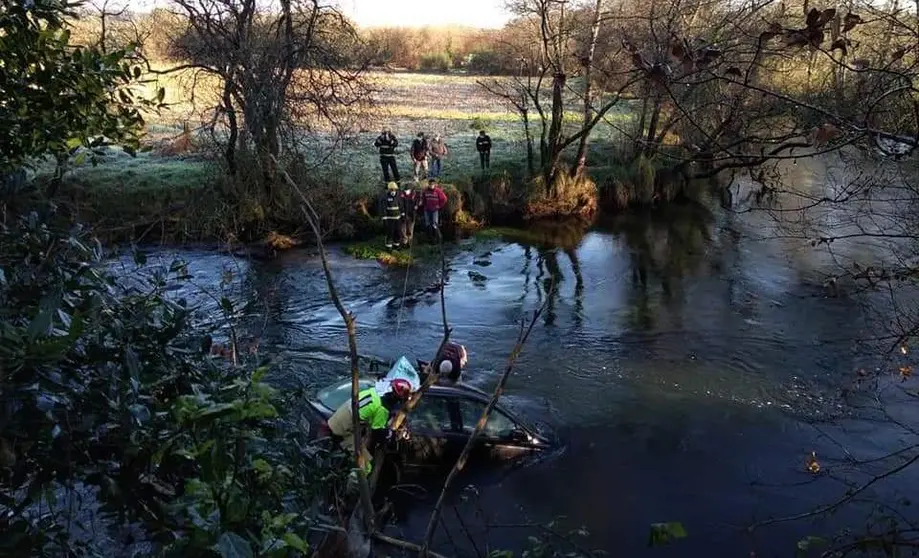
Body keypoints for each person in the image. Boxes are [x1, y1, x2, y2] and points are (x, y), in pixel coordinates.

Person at [327, 378, 413, 475]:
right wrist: (391, 435)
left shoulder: (374, 391)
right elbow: (377, 434)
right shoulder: (382, 408)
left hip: (336, 418)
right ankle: (353, 489)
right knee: (366, 466)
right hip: (344, 429)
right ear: (396, 398)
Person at [379, 181, 403, 249]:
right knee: (390, 233)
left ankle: (396, 245)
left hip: (397, 219)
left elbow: (401, 206)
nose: (393, 191)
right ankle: (388, 247)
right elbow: (383, 209)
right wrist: (384, 219)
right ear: (389, 189)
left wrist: (403, 215)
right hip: (390, 219)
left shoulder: (398, 196)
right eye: (391, 189)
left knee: (397, 232)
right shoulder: (385, 197)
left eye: (394, 189)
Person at [399, 183, 418, 247]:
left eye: (408, 190)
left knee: (410, 229)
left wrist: (416, 206)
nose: (406, 191)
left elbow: (417, 203)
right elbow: (400, 205)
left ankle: (409, 242)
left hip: (412, 215)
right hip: (404, 214)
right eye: (405, 190)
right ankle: (404, 242)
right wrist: (402, 213)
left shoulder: (414, 195)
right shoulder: (402, 196)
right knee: (403, 229)